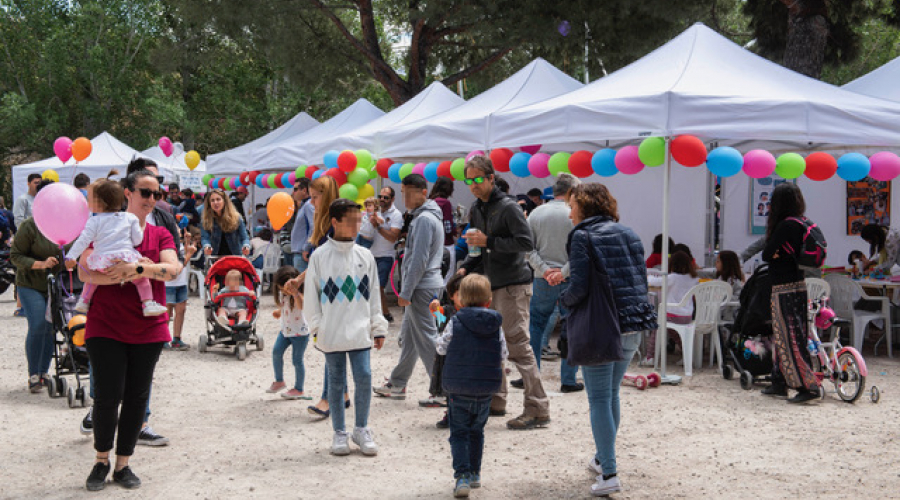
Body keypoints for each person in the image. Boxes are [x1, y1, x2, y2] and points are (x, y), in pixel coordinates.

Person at [77, 168, 183, 491]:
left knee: (137, 397)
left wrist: (136, 268)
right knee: (107, 396)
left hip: (148, 329)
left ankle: (123, 464)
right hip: (105, 324)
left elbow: (172, 268)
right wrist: (117, 276)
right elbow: (83, 272)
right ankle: (100, 461)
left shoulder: (161, 233)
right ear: (128, 193)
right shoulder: (100, 226)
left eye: (157, 194)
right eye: (145, 192)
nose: (152, 199)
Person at [556, 183, 657, 498]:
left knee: (599, 398)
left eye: (572, 205)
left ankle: (610, 472)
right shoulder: (629, 233)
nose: (569, 212)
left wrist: (563, 301)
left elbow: (580, 285)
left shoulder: (582, 236)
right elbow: (640, 279)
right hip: (633, 322)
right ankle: (602, 458)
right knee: (610, 395)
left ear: (584, 206)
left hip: (601, 324)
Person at [458, 155, 549, 430]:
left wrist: (489, 241)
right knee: (492, 344)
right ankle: (497, 400)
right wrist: (465, 269)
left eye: (477, 179)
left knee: (518, 346)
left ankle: (538, 407)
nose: (472, 185)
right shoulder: (477, 207)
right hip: (490, 283)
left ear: (490, 178)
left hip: (513, 286)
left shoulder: (508, 207)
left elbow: (525, 243)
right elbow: (479, 249)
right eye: (468, 180)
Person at [303, 198, 388, 456]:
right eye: (350, 221)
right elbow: (311, 296)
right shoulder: (319, 256)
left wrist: (378, 326)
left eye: (359, 221)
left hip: (360, 330)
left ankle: (361, 429)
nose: (356, 226)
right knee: (336, 382)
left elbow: (374, 294)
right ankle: (339, 432)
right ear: (335, 222)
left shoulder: (365, 256)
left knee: (364, 376)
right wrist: (317, 328)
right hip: (331, 331)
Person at [374, 174, 445, 403]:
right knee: (410, 338)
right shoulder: (425, 216)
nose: (404, 196)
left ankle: (442, 390)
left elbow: (418, 260)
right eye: (402, 191)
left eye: (407, 192)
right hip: (426, 285)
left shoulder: (424, 219)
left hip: (422, 288)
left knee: (426, 338)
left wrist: (405, 292)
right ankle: (398, 383)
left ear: (423, 191)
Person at [438, 273, 508, 497]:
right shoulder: (496, 324)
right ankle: (476, 473)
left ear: (462, 299)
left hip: (458, 388)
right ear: (488, 301)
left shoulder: (455, 321)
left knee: (459, 432)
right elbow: (503, 352)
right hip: (486, 388)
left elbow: (441, 348)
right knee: (477, 431)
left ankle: (462, 477)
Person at [64, 175, 168, 317]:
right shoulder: (130, 218)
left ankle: (84, 300)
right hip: (125, 259)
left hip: (101, 260)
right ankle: (148, 303)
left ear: (99, 202)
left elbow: (82, 241)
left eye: (89, 198)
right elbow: (137, 240)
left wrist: (71, 256)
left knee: (91, 280)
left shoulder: (93, 222)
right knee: (141, 279)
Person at [760, 183, 822, 404]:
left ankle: (809, 385)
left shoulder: (785, 226)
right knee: (785, 334)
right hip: (798, 284)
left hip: (783, 288)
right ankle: (779, 380)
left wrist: (776, 254)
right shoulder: (803, 222)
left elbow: (767, 254)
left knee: (790, 337)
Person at [523, 173, 583, 393]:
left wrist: (545, 270)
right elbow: (581, 250)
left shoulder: (536, 213)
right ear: (571, 192)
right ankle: (568, 379)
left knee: (536, 325)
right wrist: (563, 271)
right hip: (570, 277)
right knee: (571, 326)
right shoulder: (576, 213)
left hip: (543, 277)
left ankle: (532, 375)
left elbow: (528, 249)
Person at [10, 179, 69, 392]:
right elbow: (15, 256)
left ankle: (44, 372)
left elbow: (73, 250)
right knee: (37, 325)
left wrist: (70, 260)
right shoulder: (29, 226)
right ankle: (33, 373)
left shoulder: (66, 223)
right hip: (30, 284)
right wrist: (40, 264)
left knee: (51, 329)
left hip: (56, 286)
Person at [641, 251, 699, 366]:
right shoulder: (694, 279)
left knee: (657, 328)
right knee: (676, 333)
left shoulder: (672, 277)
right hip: (687, 315)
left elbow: (653, 281)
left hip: (672, 313)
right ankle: (686, 355)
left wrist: (649, 276)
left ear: (672, 264)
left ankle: (650, 357)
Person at [268, 265, 311, 400]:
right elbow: (285, 306)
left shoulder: (301, 294)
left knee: (297, 360)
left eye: (285, 288)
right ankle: (279, 381)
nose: (283, 291)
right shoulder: (283, 294)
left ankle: (299, 389)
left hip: (300, 333)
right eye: (281, 289)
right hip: (285, 331)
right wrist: (279, 312)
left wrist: (296, 293)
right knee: (276, 352)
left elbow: (301, 306)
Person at [369, 186, 403, 323]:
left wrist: (378, 227)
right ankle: (380, 313)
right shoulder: (373, 211)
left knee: (379, 286)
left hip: (385, 255)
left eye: (386, 197)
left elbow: (393, 237)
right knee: (371, 286)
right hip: (370, 254)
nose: (382, 199)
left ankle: (385, 313)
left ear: (393, 199)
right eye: (380, 196)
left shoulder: (396, 214)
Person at [164, 228, 196, 350]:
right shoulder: (168, 248)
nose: (180, 232)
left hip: (181, 283)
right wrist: (189, 254)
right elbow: (178, 268)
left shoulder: (180, 245)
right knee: (167, 312)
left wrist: (188, 246)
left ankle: (176, 338)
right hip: (169, 284)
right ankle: (165, 339)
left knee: (180, 311)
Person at [200, 189, 250, 257]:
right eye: (212, 200)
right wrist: (206, 246)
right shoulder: (206, 220)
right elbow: (205, 238)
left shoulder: (236, 218)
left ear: (224, 201)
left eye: (218, 199)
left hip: (234, 257)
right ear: (209, 204)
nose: (215, 203)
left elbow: (245, 237)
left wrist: (246, 246)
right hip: (214, 258)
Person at [429, 177, 457, 278]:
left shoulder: (430, 202)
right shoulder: (445, 203)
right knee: (447, 275)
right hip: (446, 243)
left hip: (432, 244)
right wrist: (455, 231)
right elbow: (447, 227)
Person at [287, 178, 314, 271]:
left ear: (304, 190)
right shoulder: (304, 205)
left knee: (301, 284)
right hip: (300, 252)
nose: (293, 192)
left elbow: (313, 227)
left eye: (295, 189)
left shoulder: (308, 205)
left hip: (302, 253)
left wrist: (306, 247)